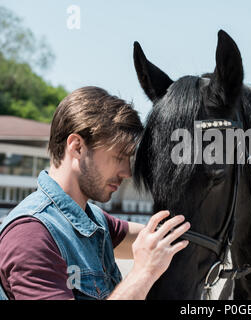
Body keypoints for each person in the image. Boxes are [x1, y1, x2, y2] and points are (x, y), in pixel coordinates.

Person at [0, 86, 190, 300]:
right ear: (77, 147)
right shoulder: (31, 235)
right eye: (119, 156)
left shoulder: (95, 221)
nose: (127, 172)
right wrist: (143, 273)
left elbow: (153, 240)